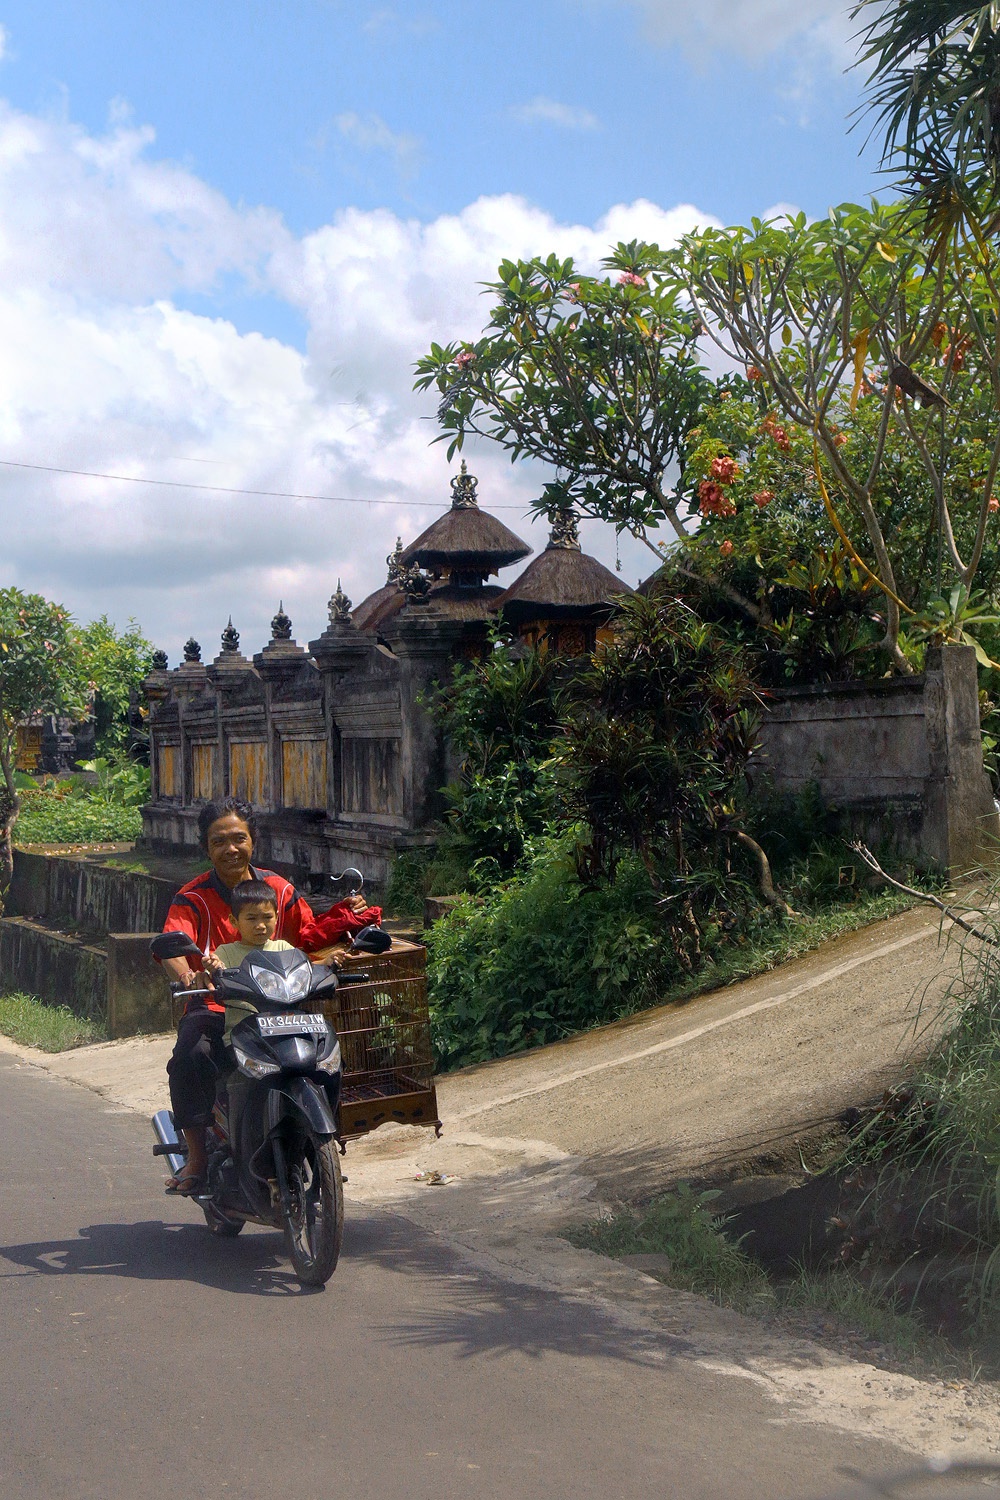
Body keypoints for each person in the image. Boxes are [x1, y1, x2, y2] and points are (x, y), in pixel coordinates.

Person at [157, 795, 377, 1194]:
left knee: (325, 1055)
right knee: (191, 1056)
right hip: (217, 1005)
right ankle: (197, 1157)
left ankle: (315, 1141)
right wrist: (191, 977)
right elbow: (174, 946)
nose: (231, 849)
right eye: (219, 841)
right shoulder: (192, 898)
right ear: (206, 847)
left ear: (253, 841)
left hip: (281, 1004)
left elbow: (308, 936)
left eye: (238, 838)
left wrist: (346, 923)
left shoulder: (277, 889)